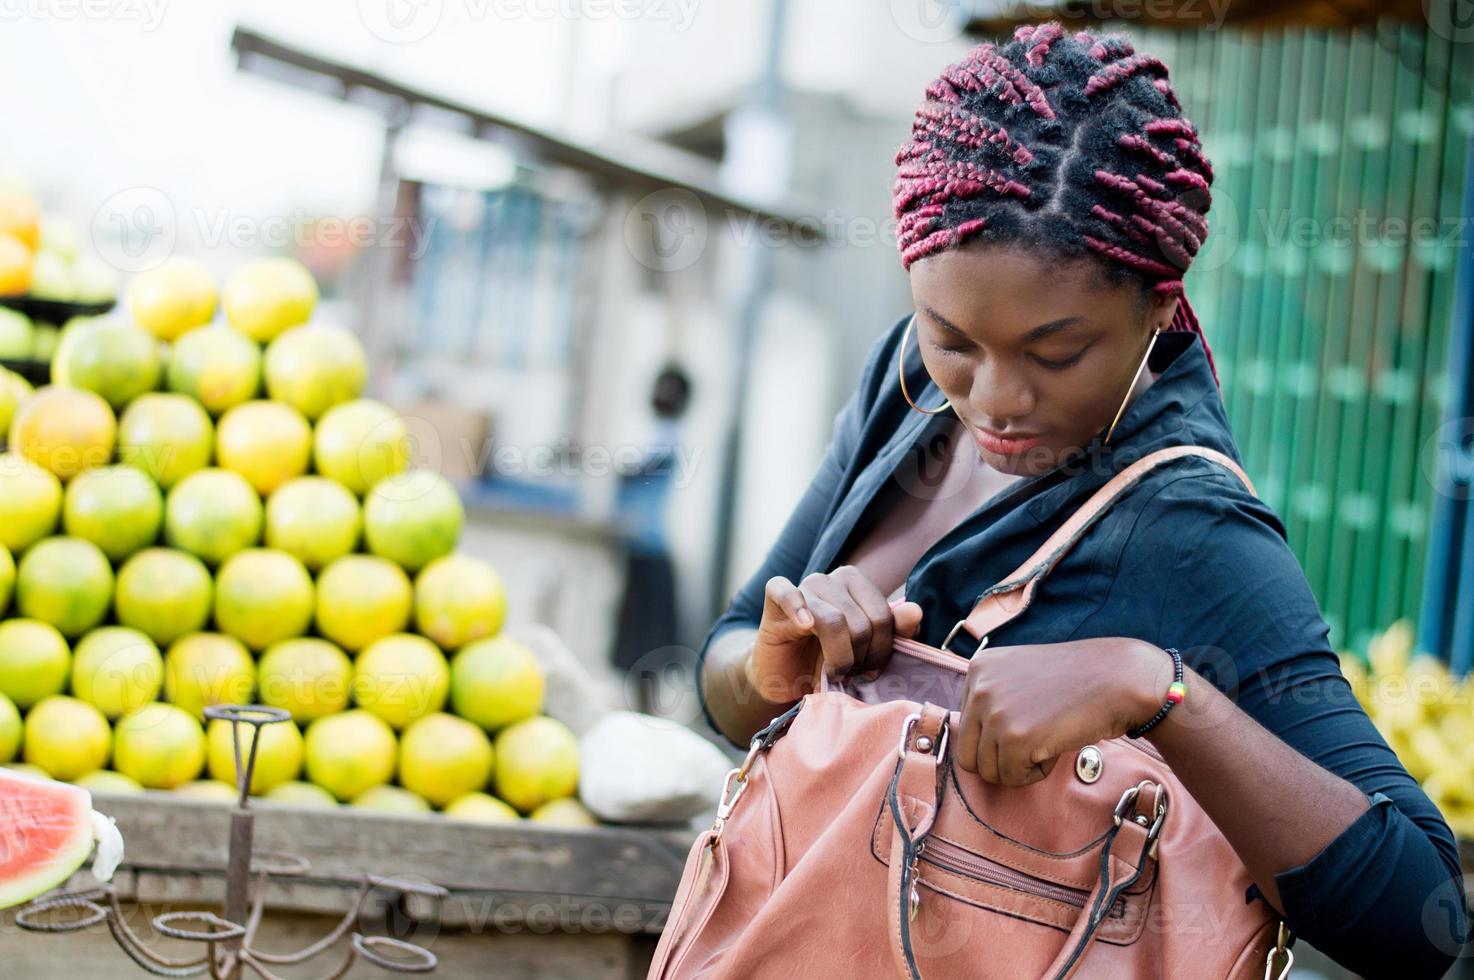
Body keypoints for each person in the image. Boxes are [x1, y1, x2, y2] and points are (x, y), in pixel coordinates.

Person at [693, 23, 1467, 980]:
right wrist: (773, 667)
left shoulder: (1184, 527)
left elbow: (1421, 917)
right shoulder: (906, 382)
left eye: (1055, 353)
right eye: (956, 339)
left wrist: (1157, 688)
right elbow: (724, 666)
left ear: (1155, 304)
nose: (995, 399)